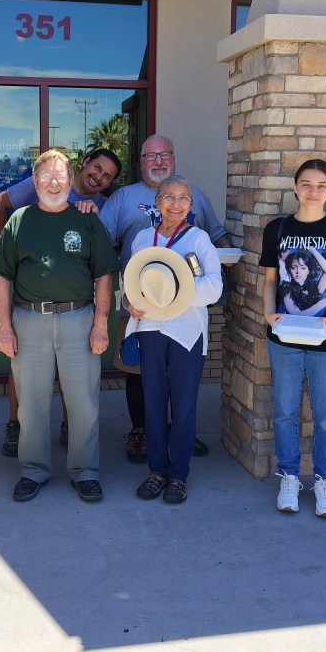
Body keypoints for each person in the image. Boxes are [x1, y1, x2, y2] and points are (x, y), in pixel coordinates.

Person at [0, 149, 119, 503]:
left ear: (69, 179)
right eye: (47, 177)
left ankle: (85, 471)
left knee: (84, 403)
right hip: (29, 321)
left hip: (79, 319)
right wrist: (4, 327)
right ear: (35, 181)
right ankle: (33, 469)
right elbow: (1, 275)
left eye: (60, 176)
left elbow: (104, 274)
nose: (54, 183)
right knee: (31, 404)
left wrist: (101, 323)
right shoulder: (19, 221)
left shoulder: (87, 219)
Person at [98, 134, 230, 463]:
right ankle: (142, 433)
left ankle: (178, 437)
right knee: (138, 374)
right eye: (150, 156)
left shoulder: (196, 201)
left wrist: (236, 267)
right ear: (140, 161)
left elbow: (216, 236)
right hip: (143, 309)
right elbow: (101, 241)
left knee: (181, 387)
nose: (158, 161)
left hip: (186, 316)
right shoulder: (124, 199)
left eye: (165, 155)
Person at [259, 159, 326, 519]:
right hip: (284, 338)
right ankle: (289, 477)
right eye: (306, 183)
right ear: (295, 187)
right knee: (285, 412)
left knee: (325, 417)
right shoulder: (278, 229)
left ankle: (324, 482)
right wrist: (267, 312)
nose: (313, 190)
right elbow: (272, 279)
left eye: (321, 185)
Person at [124, 176, 223, 504]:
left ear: (191, 205)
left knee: (183, 406)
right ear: (158, 202)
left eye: (183, 198)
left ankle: (178, 474)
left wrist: (174, 288)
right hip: (151, 329)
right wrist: (129, 302)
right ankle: (157, 470)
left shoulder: (199, 239)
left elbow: (214, 287)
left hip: (186, 332)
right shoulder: (142, 239)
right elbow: (131, 283)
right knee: (153, 403)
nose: (176, 204)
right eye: (170, 197)